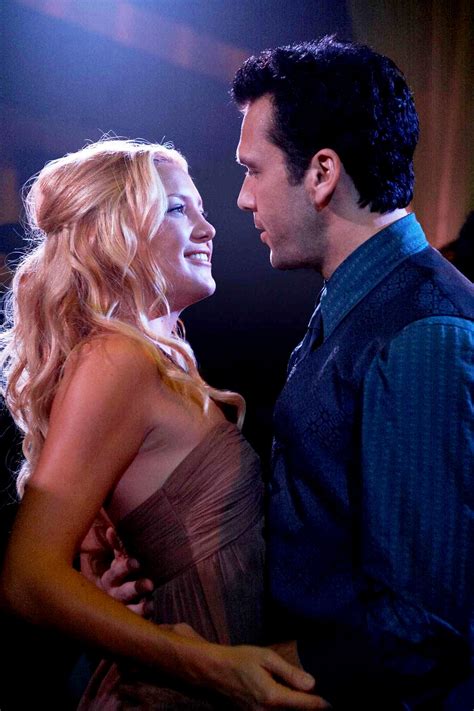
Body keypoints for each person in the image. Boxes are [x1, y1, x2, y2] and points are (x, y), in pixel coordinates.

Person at [0, 139, 327, 710]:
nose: (208, 229)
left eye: (201, 209)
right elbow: (27, 579)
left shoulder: (157, 360)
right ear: (113, 231)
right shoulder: (117, 360)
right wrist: (213, 668)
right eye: (177, 209)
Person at [230, 36, 474, 709]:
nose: (244, 198)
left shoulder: (423, 331)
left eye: (254, 170)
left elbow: (423, 623)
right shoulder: (367, 296)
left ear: (321, 173)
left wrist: (230, 673)